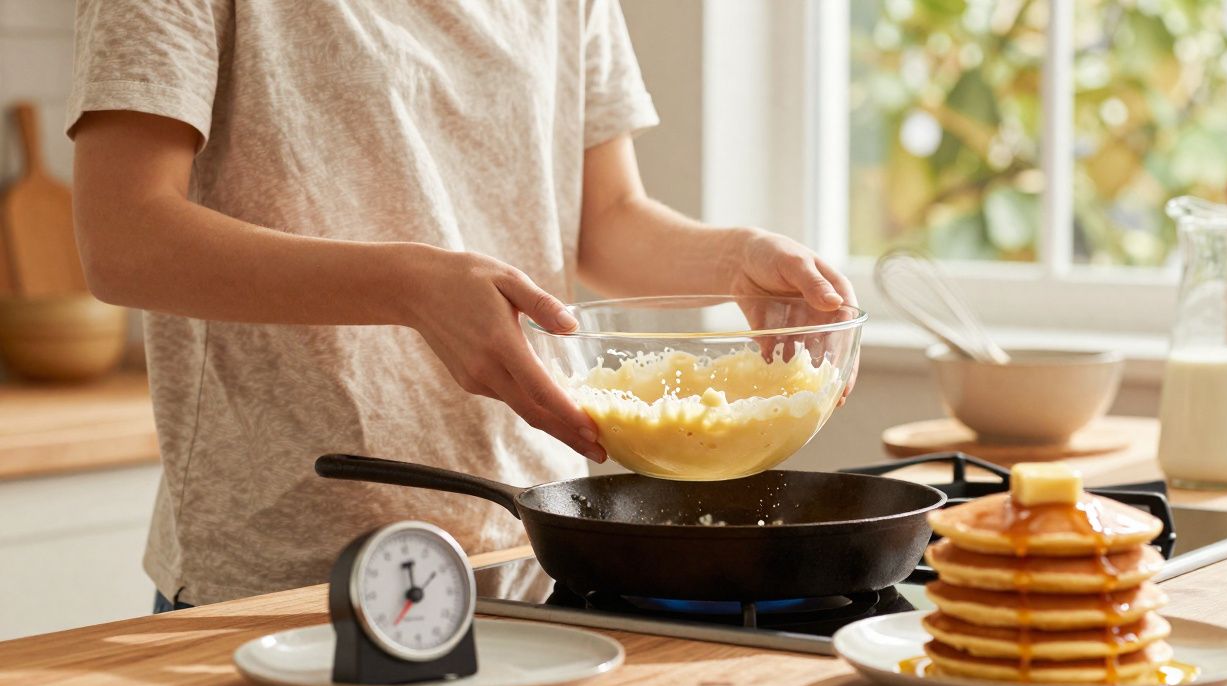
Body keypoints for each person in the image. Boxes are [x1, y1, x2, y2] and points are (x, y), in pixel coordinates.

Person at [67, 0, 857, 610]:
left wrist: (735, 260)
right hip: (284, 574)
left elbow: (604, 217)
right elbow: (124, 237)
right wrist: (410, 287)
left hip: (537, 557)